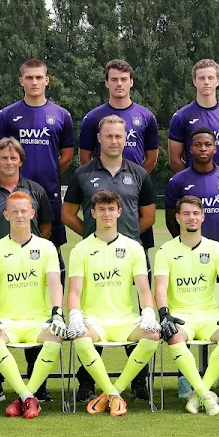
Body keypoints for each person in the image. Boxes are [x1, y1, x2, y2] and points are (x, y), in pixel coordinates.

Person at [63, 114, 157, 402]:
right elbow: (68, 213)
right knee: (92, 311)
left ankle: (139, 381)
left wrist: (125, 239)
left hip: (131, 255)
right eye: (109, 136)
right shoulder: (82, 174)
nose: (114, 141)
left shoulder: (139, 173)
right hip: (94, 255)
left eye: (119, 136)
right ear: (99, 139)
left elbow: (149, 216)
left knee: (137, 313)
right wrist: (92, 234)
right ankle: (88, 382)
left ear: (125, 138)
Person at [66, 190, 164, 416]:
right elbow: (74, 291)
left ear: (119, 212)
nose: (106, 214)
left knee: (153, 335)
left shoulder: (134, 247)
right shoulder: (81, 249)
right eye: (101, 209)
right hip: (95, 322)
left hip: (125, 320)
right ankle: (113, 394)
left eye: (111, 209)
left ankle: (113, 391)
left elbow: (143, 289)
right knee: (80, 336)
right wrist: (75, 316)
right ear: (92, 213)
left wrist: (149, 313)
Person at [0, 137, 55, 403]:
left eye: (13, 157)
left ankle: (37, 385)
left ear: (21, 160)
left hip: (31, 260)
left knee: (34, 314)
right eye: (3, 157)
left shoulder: (36, 190)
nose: (9, 162)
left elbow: (45, 226)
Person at [153, 195, 219, 415]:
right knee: (174, 336)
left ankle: (198, 393)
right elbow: (159, 287)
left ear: (203, 217)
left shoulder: (217, 249)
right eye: (186, 214)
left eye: (195, 213)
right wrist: (164, 314)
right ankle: (205, 395)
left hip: (209, 316)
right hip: (181, 316)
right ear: (177, 218)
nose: (191, 218)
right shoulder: (165, 251)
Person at [0, 191, 66, 419]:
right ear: (6, 215)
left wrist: (57, 314)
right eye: (14, 211)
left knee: (56, 336)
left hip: (39, 320)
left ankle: (25, 396)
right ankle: (28, 397)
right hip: (6, 322)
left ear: (32, 213)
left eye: (23, 211)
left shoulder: (47, 247)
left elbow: (56, 285)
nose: (19, 216)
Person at [0, 58, 74, 264]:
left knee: (53, 250)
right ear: (21, 81)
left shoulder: (62, 115)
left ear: (47, 80)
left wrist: (50, 173)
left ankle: (56, 295)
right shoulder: (7, 115)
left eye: (38, 77)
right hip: (15, 193)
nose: (34, 82)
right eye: (29, 78)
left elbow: (66, 157)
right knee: (13, 248)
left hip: (49, 192)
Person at [78, 59, 160, 254]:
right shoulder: (92, 117)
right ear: (106, 83)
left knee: (139, 250)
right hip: (101, 188)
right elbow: (85, 157)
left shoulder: (146, 117)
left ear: (131, 82)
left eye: (124, 79)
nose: (119, 84)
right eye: (114, 79)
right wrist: (100, 180)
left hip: (134, 190)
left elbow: (151, 156)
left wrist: (134, 180)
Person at [165, 128, 219, 259]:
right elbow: (171, 219)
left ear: (215, 148)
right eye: (197, 145)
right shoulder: (177, 181)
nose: (203, 148)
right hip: (189, 252)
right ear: (190, 149)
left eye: (208, 144)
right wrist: (185, 242)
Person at [167, 58, 219, 174]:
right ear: (194, 81)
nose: (206, 82)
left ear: (218, 81)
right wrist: (191, 176)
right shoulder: (181, 116)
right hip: (193, 185)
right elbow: (174, 160)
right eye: (201, 78)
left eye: (211, 78)